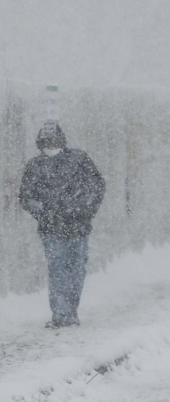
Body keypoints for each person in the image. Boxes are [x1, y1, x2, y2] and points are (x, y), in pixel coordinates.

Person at [19, 121, 105, 328]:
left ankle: (70, 311)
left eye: (54, 140)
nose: (50, 145)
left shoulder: (79, 159)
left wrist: (83, 209)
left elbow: (97, 186)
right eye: (46, 141)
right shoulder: (35, 166)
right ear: (40, 143)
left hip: (79, 226)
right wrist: (45, 212)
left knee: (76, 269)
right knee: (57, 268)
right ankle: (60, 314)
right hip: (51, 228)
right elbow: (26, 197)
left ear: (61, 141)